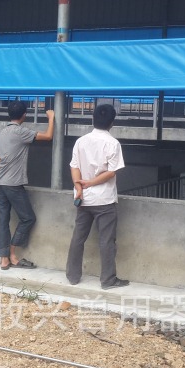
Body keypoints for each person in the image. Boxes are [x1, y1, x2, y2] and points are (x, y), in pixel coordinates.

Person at [0, 101, 55, 271]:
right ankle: (12, 255)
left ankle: (4, 260)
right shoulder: (21, 132)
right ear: (24, 115)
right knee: (28, 218)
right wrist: (51, 118)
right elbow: (48, 136)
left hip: (0, 184)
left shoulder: (2, 133)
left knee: (3, 220)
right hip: (13, 185)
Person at [66, 104, 129, 289]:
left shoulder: (81, 141)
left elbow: (74, 166)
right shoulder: (113, 144)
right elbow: (111, 172)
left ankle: (72, 276)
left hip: (83, 198)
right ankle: (108, 280)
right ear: (112, 122)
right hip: (104, 200)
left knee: (78, 237)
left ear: (93, 118)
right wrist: (90, 183)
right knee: (106, 240)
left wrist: (79, 186)